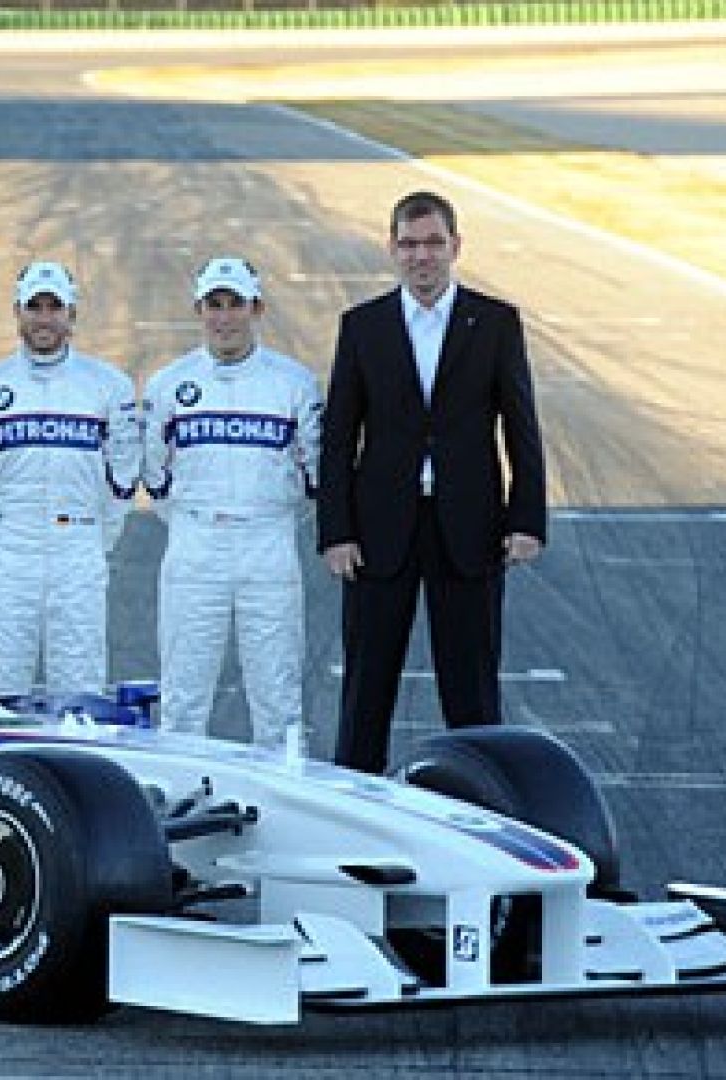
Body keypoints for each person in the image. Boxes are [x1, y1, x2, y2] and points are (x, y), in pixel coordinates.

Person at [317, 190, 547, 776]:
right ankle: (354, 805)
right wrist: (335, 532)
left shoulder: (495, 323)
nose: (422, 256)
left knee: (471, 692)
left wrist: (526, 520)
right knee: (367, 689)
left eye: (434, 243)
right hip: (379, 533)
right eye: (410, 244)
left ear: (455, 247)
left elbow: (521, 426)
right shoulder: (363, 326)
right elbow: (340, 438)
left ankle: (486, 810)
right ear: (392, 249)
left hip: (468, 530)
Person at [142, 257, 322, 746]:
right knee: (183, 693)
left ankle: (286, 808)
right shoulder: (167, 385)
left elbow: (314, 472)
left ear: (256, 308)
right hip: (195, 541)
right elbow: (154, 472)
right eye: (213, 305)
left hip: (268, 542)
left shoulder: (294, 384)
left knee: (277, 696)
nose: (224, 317)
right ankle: (178, 801)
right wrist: (191, 518)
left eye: (235, 304)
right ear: (199, 310)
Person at [0, 261, 140, 697]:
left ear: (71, 314)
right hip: (9, 546)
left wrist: (94, 535)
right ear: (17, 313)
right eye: (33, 307)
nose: (44, 318)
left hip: (78, 542)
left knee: (80, 683)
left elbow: (124, 475)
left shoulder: (108, 386)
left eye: (54, 307)